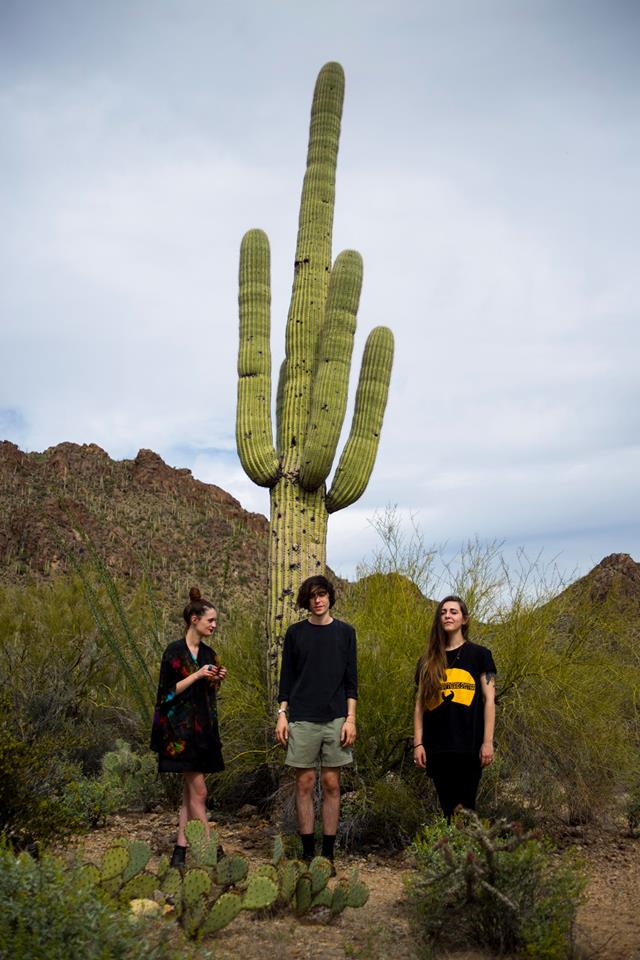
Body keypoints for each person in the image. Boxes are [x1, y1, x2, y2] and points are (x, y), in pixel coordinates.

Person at [275, 575, 357, 867]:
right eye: (312, 596)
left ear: (330, 597)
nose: (318, 600)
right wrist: (282, 714)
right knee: (305, 783)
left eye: (322, 594)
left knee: (332, 783)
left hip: (336, 717)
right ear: (306, 601)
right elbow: (286, 678)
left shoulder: (345, 633)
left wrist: (351, 719)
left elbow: (351, 681)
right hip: (302, 717)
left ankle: (329, 855)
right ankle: (309, 853)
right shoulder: (296, 633)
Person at [150, 587, 227, 866]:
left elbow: (209, 692)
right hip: (178, 733)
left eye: (215, 621)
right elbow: (166, 693)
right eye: (211, 621)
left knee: (189, 793)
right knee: (200, 791)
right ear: (194, 619)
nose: (214, 625)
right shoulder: (174, 651)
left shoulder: (209, 653)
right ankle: (211, 849)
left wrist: (216, 677)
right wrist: (196, 675)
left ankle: (180, 852)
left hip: (202, 731)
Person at [413, 595, 496, 821]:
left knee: (467, 808)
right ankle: (454, 854)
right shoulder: (427, 661)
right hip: (437, 745)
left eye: (453, 612)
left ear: (464, 619)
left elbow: (489, 701)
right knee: (447, 809)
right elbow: (419, 704)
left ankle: (468, 854)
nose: (447, 616)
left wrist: (487, 742)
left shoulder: (480, 655)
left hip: (469, 744)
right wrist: (418, 743)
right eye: (443, 612)